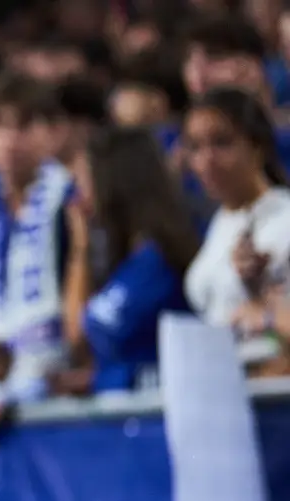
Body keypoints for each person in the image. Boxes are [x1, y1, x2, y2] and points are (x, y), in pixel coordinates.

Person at [0, 72, 90, 445]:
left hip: (63, 390)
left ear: (52, 133)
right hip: (8, 385)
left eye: (24, 126)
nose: (11, 140)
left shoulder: (70, 200)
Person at [52, 127, 200, 395]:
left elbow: (78, 336)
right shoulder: (128, 262)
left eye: (84, 181)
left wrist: (80, 245)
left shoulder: (158, 263)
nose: (78, 197)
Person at [182, 87, 290, 368]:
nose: (207, 161)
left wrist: (266, 313)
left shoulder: (284, 217)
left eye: (222, 143)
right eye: (195, 147)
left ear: (257, 147)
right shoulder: (221, 222)